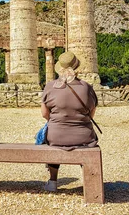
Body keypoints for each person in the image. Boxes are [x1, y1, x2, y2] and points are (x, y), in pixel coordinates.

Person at [40, 51, 98, 192]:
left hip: (56, 136)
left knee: (45, 136)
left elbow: (44, 114)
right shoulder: (87, 87)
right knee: (88, 144)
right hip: (84, 136)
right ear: (76, 68)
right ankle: (89, 181)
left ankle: (53, 181)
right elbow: (92, 113)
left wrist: (55, 121)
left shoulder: (50, 87)